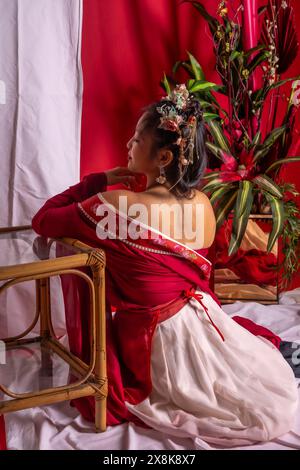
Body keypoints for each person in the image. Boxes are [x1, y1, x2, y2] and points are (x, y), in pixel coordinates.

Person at [32, 84, 298, 448]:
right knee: (249, 379)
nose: (128, 146)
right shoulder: (203, 202)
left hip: (153, 339)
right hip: (201, 320)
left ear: (164, 158)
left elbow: (44, 220)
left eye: (136, 140)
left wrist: (98, 180)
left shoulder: (115, 204)